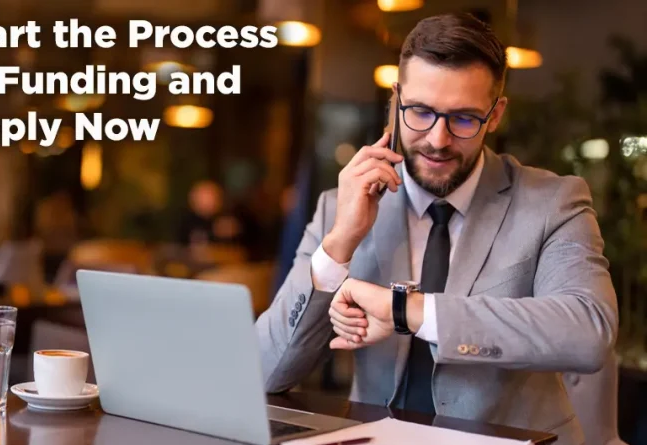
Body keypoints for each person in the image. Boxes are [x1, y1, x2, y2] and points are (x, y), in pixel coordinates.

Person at [255, 13, 618, 445]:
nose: (439, 139)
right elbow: (264, 371)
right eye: (421, 112)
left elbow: (588, 331)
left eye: (464, 119)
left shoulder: (551, 201)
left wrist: (407, 310)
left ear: (495, 113)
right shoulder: (339, 205)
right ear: (395, 99)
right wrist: (338, 246)